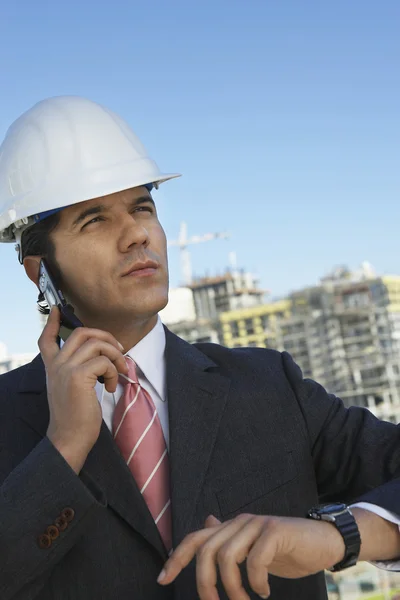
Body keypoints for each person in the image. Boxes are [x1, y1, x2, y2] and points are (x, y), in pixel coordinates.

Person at [0, 96, 399, 600]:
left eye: (143, 207)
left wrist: (338, 535)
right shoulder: (6, 415)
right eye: (94, 220)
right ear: (41, 270)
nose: (136, 234)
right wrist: (62, 450)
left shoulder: (271, 385)